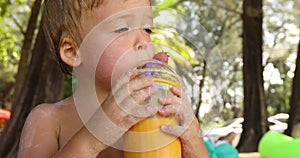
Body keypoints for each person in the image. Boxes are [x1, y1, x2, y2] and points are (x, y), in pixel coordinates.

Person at [17, 0, 209, 158]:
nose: (144, 41)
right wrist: (95, 136)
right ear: (74, 51)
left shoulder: (155, 115)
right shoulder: (48, 120)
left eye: (147, 29)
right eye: (122, 28)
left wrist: (192, 138)